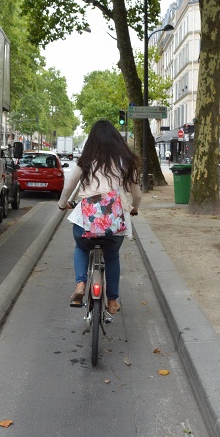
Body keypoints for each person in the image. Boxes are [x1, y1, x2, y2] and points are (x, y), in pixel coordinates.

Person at [58, 120, 142, 315]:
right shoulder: (125, 163)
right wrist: (134, 209)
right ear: (117, 141)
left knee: (80, 247)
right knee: (112, 256)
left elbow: (68, 187)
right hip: (114, 224)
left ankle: (80, 284)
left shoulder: (85, 162)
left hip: (86, 222)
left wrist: (63, 204)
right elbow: (137, 196)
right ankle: (112, 300)